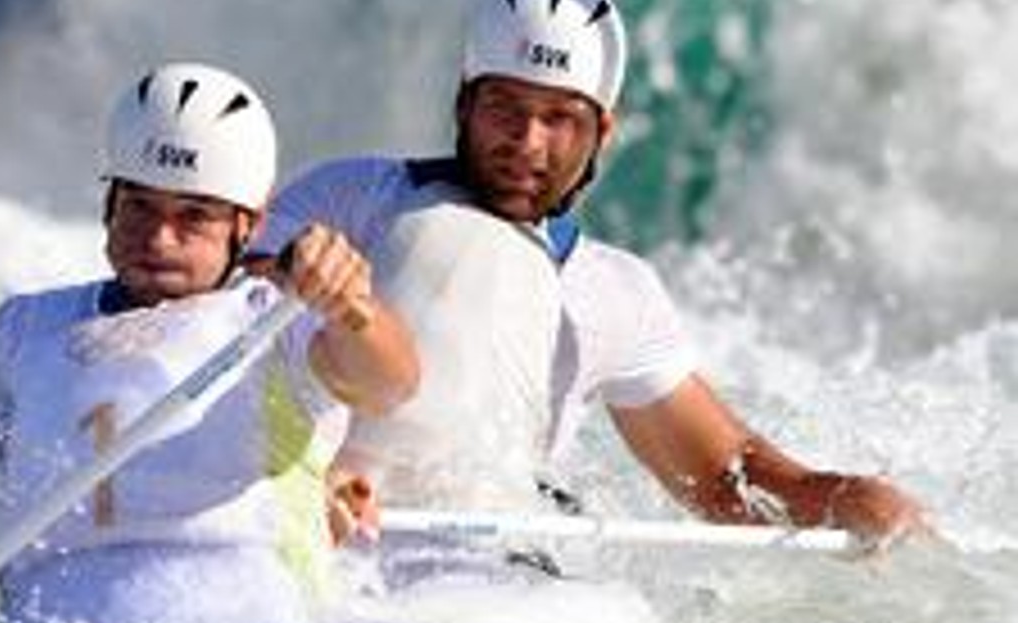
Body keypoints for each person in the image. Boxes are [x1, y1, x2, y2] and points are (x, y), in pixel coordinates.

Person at [257, 0, 929, 550]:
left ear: (603, 133)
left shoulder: (614, 293)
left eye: (559, 118)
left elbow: (726, 480)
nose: (528, 141)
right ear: (463, 104)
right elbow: (207, 310)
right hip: (308, 541)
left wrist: (846, 497)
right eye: (505, 108)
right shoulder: (350, 197)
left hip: (473, 576)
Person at [0, 62, 419, 623]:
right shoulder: (24, 330)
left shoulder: (279, 317)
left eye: (194, 215)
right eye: (138, 205)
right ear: (108, 202)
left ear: (246, 226)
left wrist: (354, 308)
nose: (159, 237)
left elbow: (389, 384)